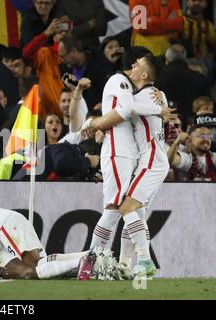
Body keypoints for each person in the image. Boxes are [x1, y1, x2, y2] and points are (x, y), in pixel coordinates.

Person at [88, 54, 172, 276]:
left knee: (124, 208)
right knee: (136, 211)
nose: (132, 66)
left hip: (150, 160)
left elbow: (126, 109)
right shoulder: (156, 93)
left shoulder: (144, 96)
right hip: (152, 159)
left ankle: (144, 260)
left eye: (138, 65)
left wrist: (94, 123)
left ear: (144, 75)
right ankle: (125, 265)